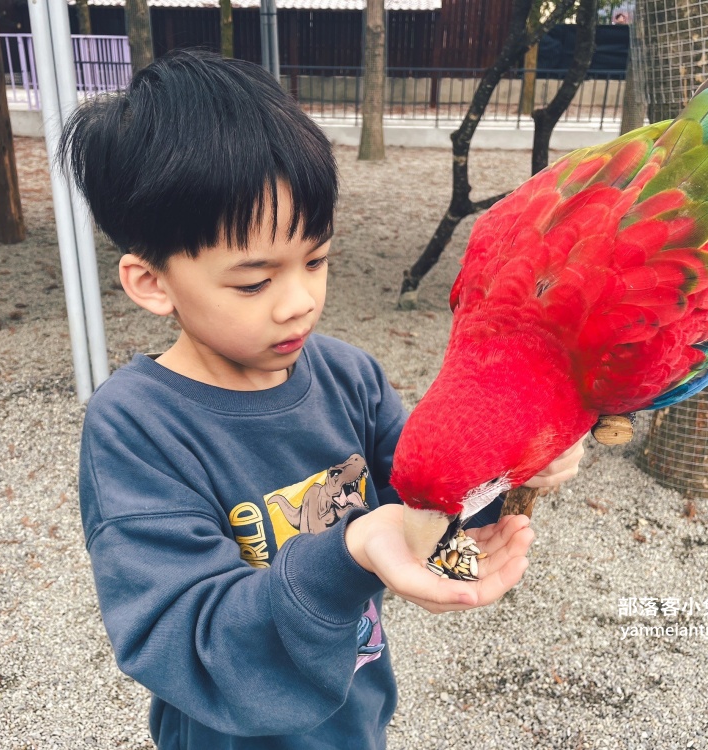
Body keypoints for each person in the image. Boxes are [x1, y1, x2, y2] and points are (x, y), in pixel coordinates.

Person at [59, 49, 585, 750]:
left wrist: (515, 467)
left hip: (357, 720)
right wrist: (352, 549)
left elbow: (434, 504)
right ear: (152, 282)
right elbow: (188, 637)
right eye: (254, 282)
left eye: (316, 260)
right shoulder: (137, 429)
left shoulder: (348, 378)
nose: (300, 303)